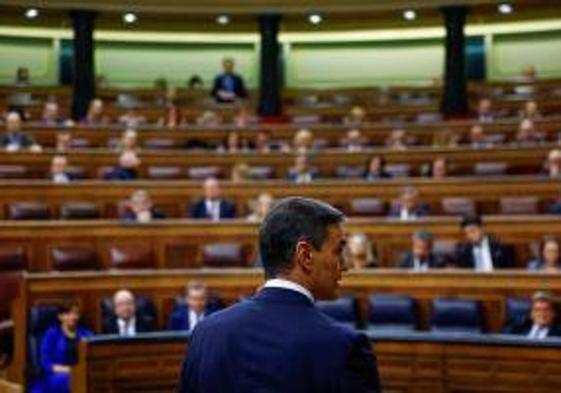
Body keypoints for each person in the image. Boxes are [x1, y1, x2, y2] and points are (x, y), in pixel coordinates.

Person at [177, 197, 381, 393]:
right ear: (305, 255)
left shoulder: (206, 333)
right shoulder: (344, 348)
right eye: (338, 251)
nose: (344, 265)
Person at [33, 300, 92, 393]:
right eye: (68, 313)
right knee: (68, 380)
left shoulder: (86, 334)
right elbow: (46, 363)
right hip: (55, 375)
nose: (73, 317)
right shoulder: (51, 334)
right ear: (60, 316)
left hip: (82, 374)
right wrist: (71, 370)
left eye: (75, 313)